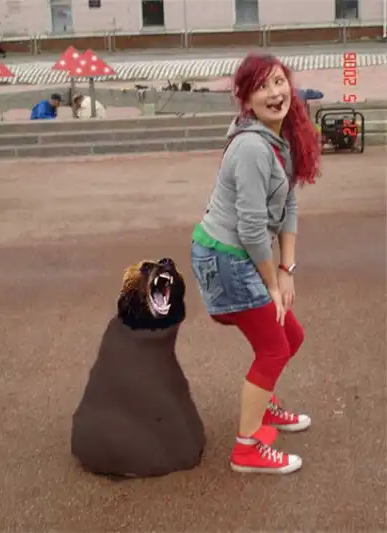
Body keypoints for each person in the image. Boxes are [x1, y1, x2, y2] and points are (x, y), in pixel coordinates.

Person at [190, 53, 321, 475]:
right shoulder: (251, 147)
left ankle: (263, 406)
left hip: (243, 254)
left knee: (290, 336)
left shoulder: (282, 139)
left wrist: (287, 269)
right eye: (261, 87)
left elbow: (289, 204)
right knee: (274, 347)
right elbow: (250, 228)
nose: (274, 93)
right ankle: (246, 450)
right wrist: (272, 283)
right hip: (225, 255)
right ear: (246, 100)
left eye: (278, 82)